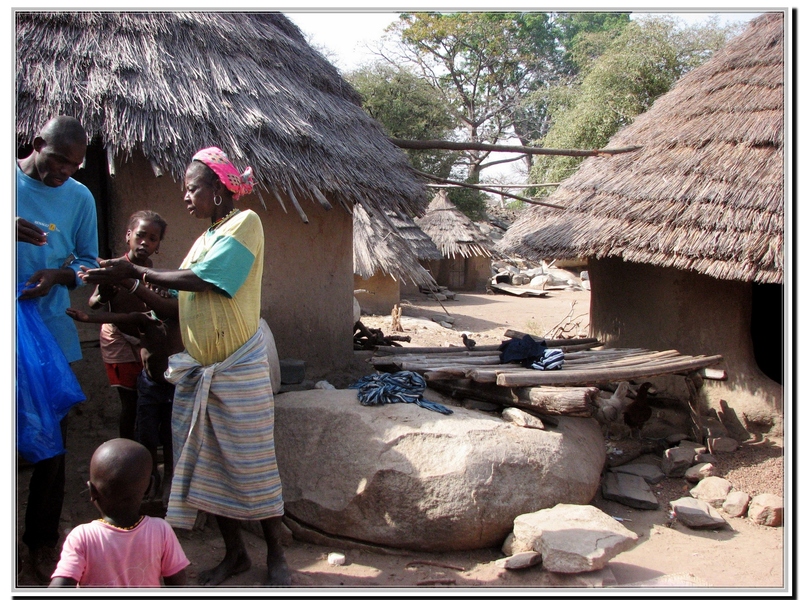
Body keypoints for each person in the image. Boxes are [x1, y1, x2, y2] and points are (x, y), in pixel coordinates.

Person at [80, 146, 291, 587]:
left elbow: (206, 281)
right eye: (184, 190)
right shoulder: (201, 241)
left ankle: (276, 556)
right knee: (206, 466)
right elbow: (175, 307)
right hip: (199, 370)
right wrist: (129, 280)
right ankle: (235, 555)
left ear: (217, 189)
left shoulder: (244, 224)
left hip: (238, 368)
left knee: (253, 465)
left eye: (192, 188)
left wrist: (139, 273)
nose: (186, 197)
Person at [16, 115, 99, 583]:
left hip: (50, 334)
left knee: (51, 448)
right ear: (35, 145)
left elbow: (87, 263)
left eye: (74, 165)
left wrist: (58, 277)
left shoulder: (80, 197)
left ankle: (41, 545)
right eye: (57, 161)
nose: (64, 172)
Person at [68, 280, 182, 508]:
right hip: (149, 387)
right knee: (147, 435)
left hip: (174, 387)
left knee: (171, 438)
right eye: (155, 296)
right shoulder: (145, 319)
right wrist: (88, 319)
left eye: (165, 297)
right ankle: (149, 478)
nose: (159, 300)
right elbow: (118, 318)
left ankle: (170, 477)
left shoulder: (180, 320)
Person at [49, 438, 189, 587]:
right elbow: (177, 585)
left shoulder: (83, 537)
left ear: (92, 491)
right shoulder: (161, 531)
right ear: (149, 487)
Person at [88, 210, 168, 441]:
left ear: (158, 245)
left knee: (151, 397)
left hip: (147, 340)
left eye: (153, 239)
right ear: (128, 236)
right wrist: (103, 295)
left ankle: (147, 450)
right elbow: (93, 304)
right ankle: (125, 451)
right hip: (119, 339)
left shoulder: (153, 272)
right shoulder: (114, 268)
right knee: (130, 401)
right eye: (140, 235)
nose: (145, 242)